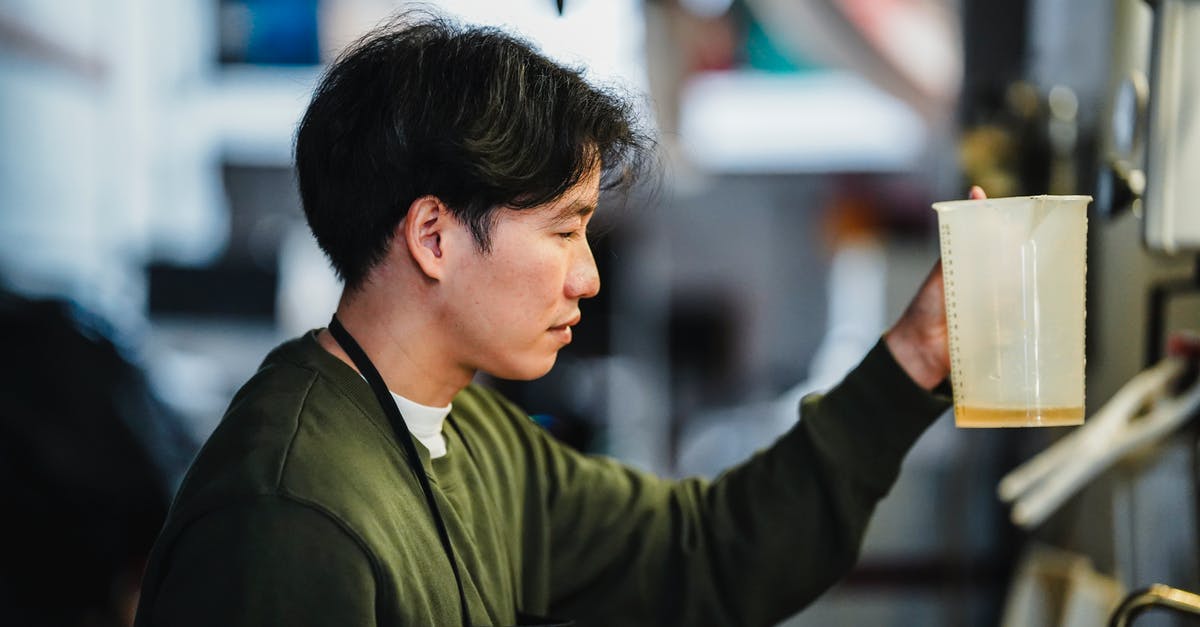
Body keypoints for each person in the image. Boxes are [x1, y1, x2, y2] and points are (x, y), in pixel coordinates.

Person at [133, 12, 981, 627]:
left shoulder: (470, 432)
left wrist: (909, 357)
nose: (588, 275)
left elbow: (705, 554)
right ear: (433, 235)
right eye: (564, 230)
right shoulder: (290, 518)